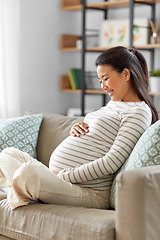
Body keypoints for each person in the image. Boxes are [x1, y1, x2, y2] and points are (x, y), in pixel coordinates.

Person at [0, 46, 158, 210]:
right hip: (62, 180)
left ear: (126, 74)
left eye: (106, 78)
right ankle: (22, 190)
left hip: (90, 192)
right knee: (7, 154)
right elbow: (99, 135)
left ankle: (16, 189)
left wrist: (62, 175)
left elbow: (111, 162)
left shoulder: (138, 112)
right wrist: (78, 126)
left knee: (28, 173)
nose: (103, 87)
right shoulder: (115, 104)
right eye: (100, 81)